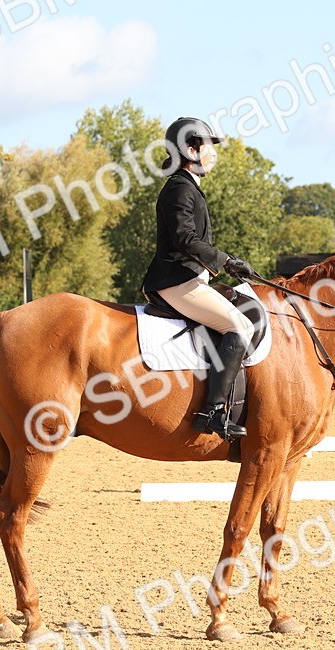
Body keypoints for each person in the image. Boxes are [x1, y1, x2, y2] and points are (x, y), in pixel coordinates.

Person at [140, 117, 260, 440]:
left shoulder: (188, 186)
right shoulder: (179, 188)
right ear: (191, 150)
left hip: (189, 279)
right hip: (177, 282)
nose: (214, 154)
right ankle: (212, 411)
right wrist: (226, 260)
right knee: (240, 327)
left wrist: (226, 264)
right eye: (208, 147)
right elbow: (185, 239)